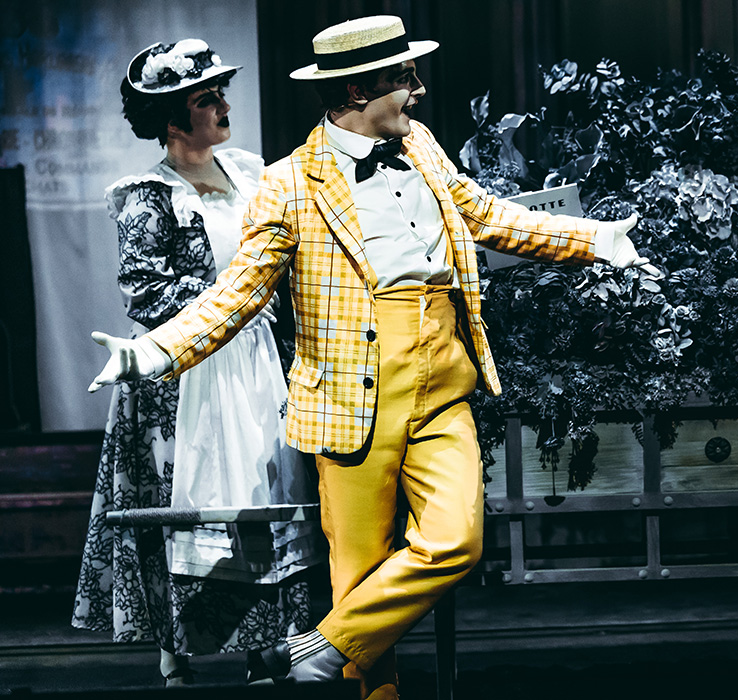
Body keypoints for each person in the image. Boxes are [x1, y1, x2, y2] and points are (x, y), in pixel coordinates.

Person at [86, 16, 654, 699]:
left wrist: (594, 238)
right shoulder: (291, 183)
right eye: (402, 79)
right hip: (352, 396)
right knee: (359, 576)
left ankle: (326, 643)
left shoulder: (422, 147)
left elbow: (491, 217)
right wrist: (153, 351)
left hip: (442, 378)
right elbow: (236, 294)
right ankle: (354, 667)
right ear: (356, 89)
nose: (416, 92)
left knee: (458, 540)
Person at [73, 39, 323, 687]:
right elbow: (145, 292)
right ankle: (179, 648)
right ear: (173, 119)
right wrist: (235, 300)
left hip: (259, 360)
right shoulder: (144, 196)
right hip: (187, 374)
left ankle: (271, 650)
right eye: (206, 99)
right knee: (190, 504)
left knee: (270, 492)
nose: (222, 106)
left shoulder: (251, 173)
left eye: (219, 94)